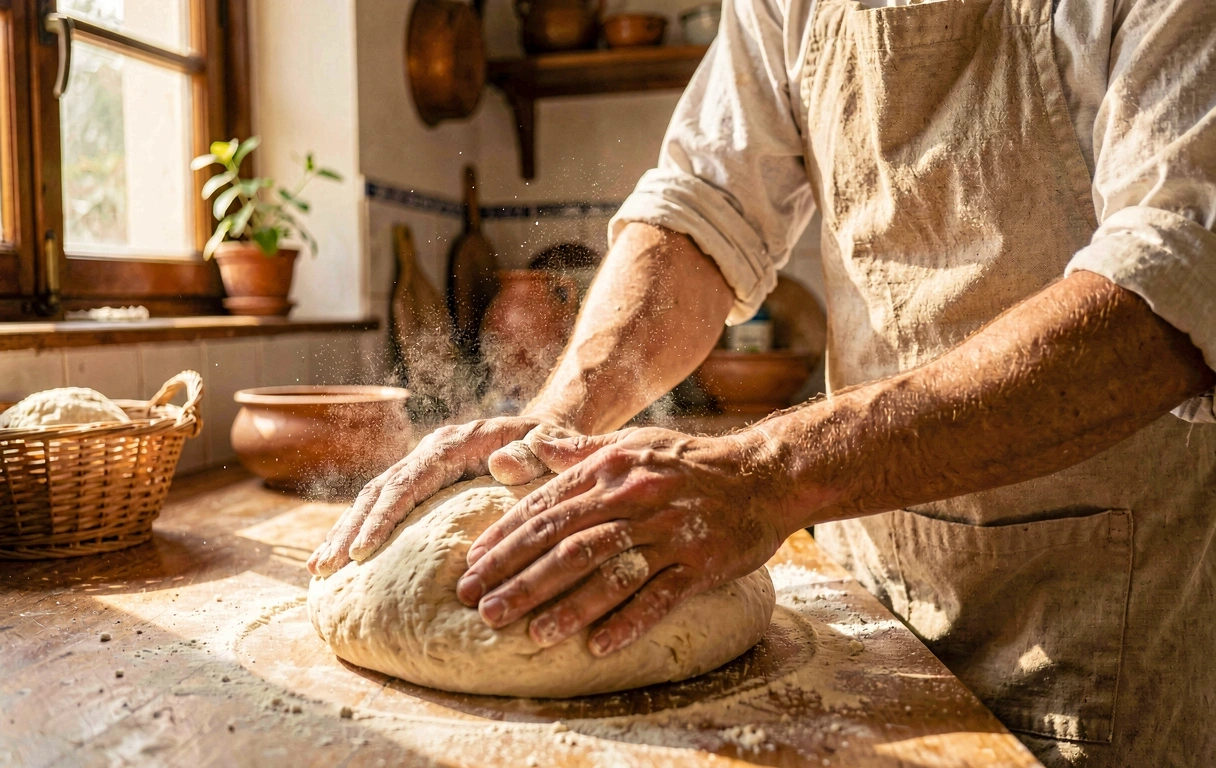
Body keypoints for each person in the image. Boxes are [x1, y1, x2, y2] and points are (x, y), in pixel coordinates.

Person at [310, 0, 1216, 763]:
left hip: (1105, 615)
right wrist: (560, 421)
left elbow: (1173, 286)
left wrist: (768, 472)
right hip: (873, 604)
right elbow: (702, 207)